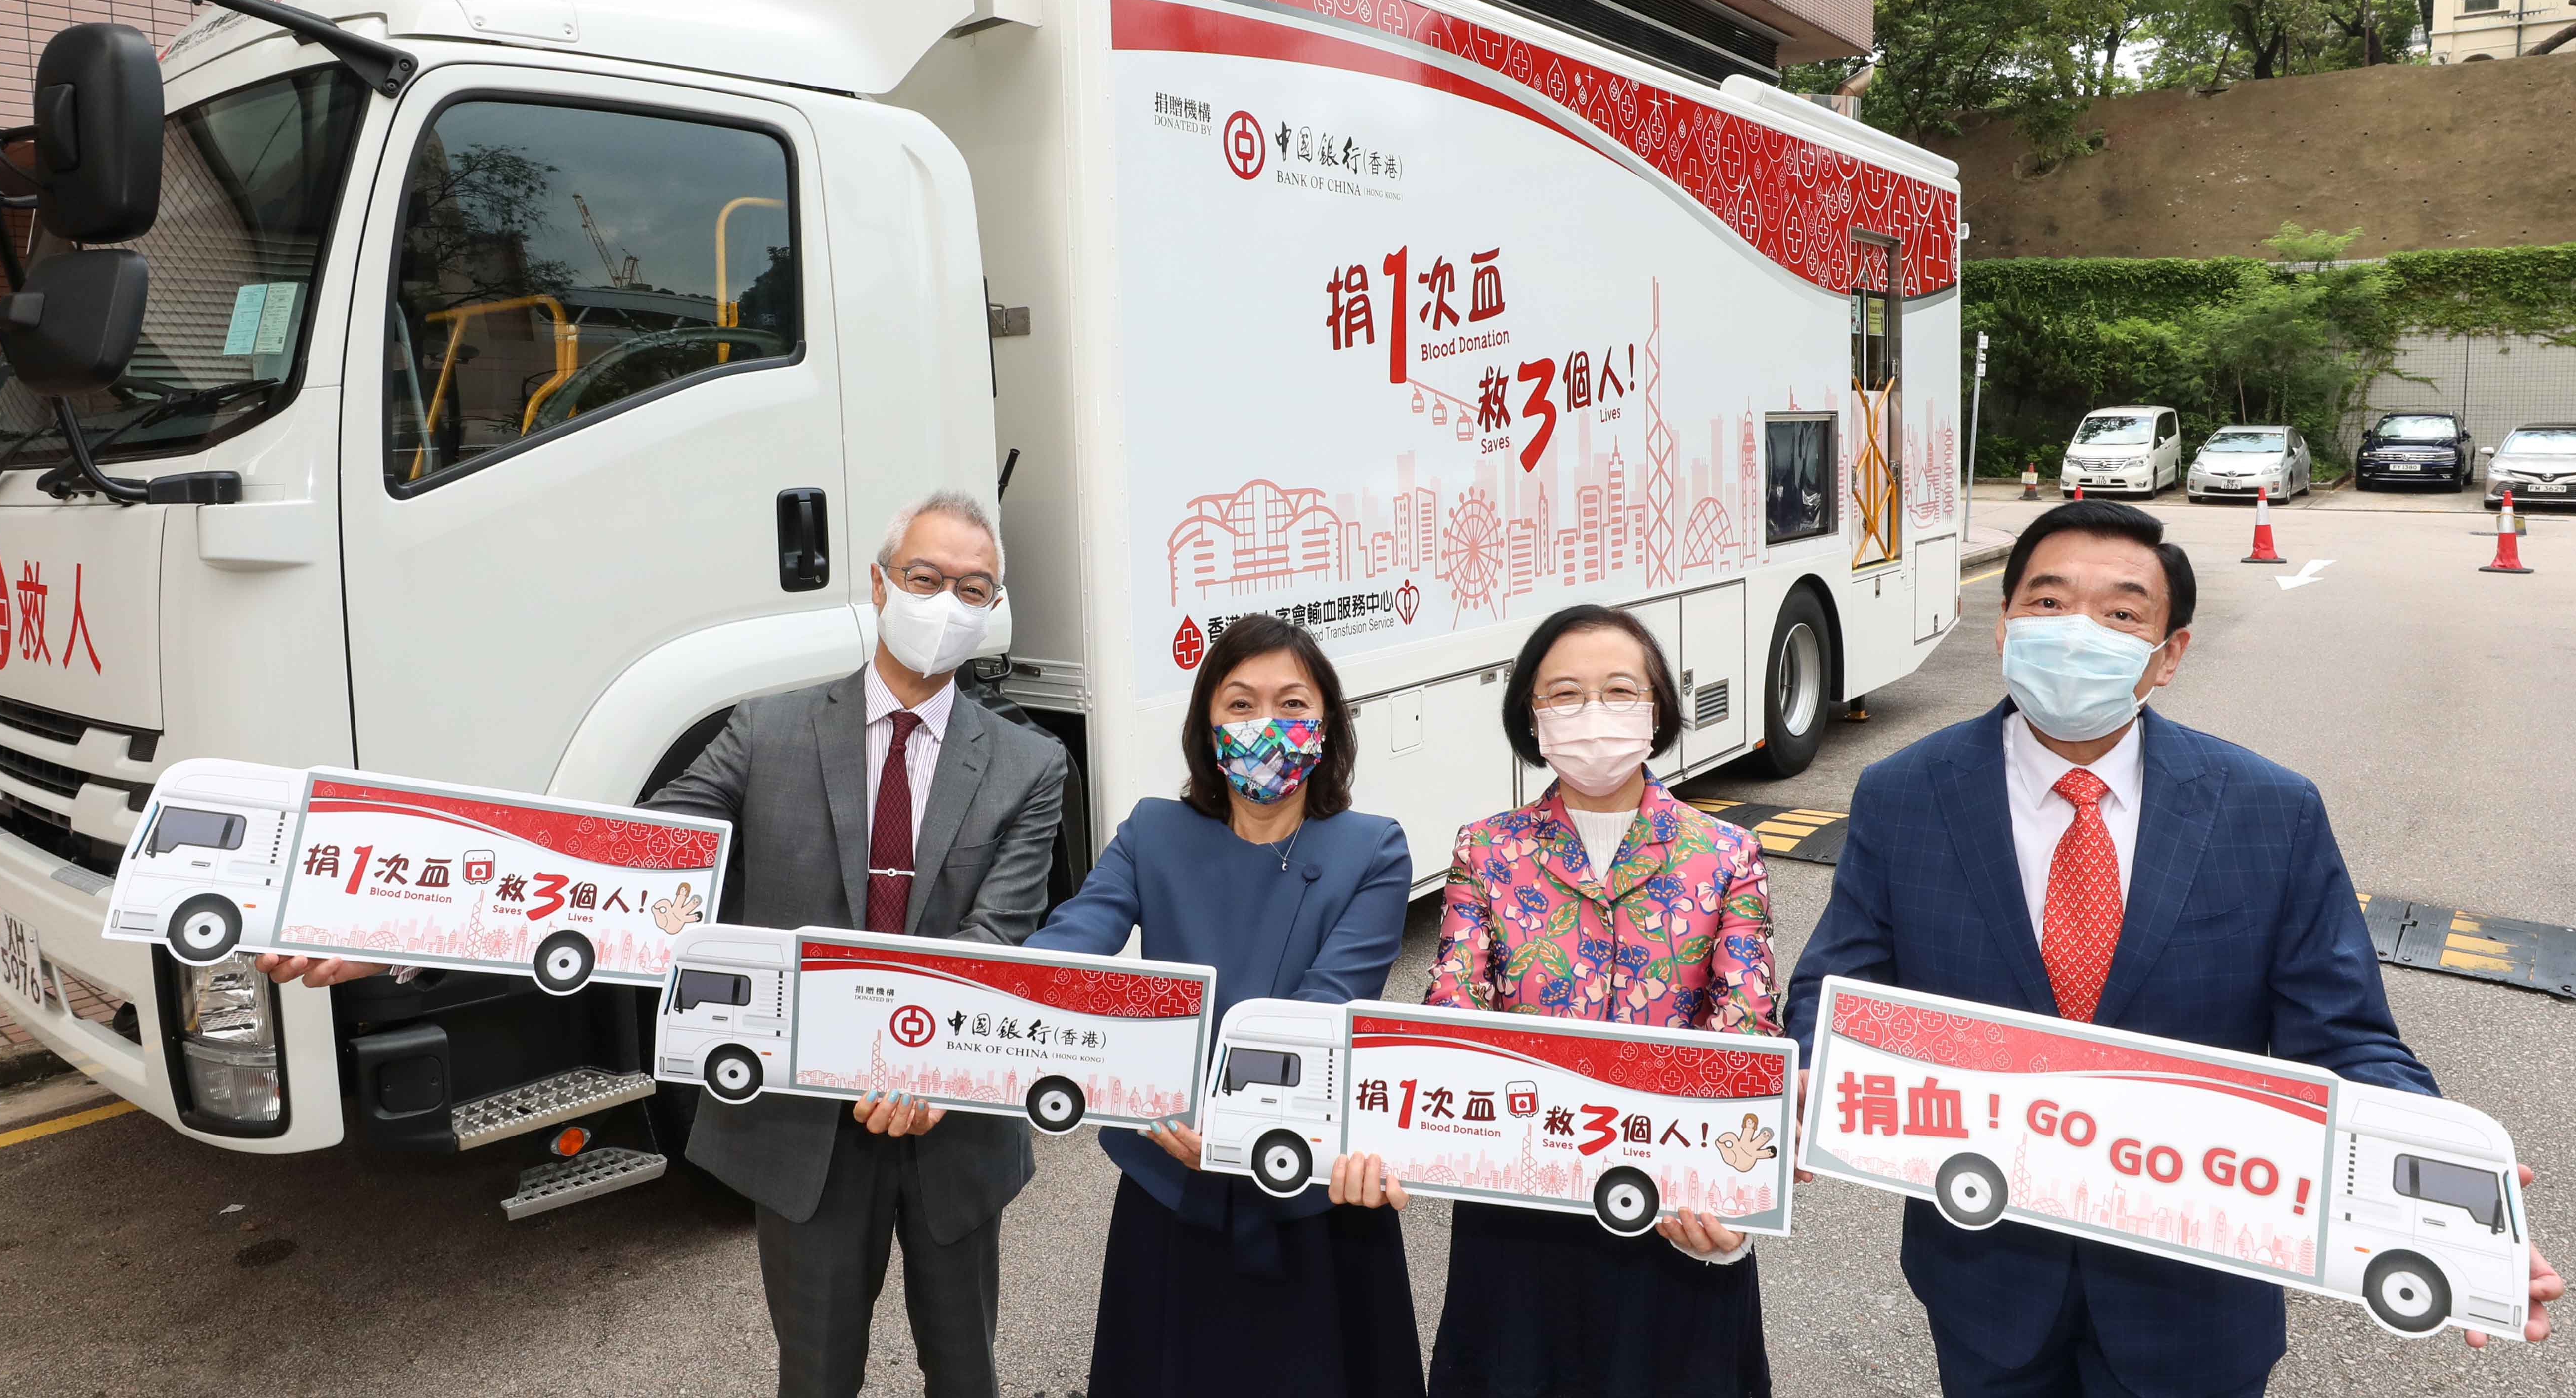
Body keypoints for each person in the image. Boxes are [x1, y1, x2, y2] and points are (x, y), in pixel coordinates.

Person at [1785, 497, 2559, 1398]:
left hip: (2197, 1287)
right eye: (2046, 602)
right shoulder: (1902, 794)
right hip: (1986, 1278)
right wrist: (1808, 1075)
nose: (2076, 630)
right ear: (2003, 629)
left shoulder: (2267, 811)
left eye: (2119, 614)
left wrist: (2444, 1198)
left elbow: (2343, 1034)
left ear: (2169, 654)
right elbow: (1836, 987)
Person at [643, 491, 1067, 1398]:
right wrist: (398, 941)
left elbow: (996, 935)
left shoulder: (1031, 766)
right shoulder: (766, 731)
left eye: (973, 589)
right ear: (879, 585)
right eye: (925, 578)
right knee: (817, 1372)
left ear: (991, 612)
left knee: (964, 1370)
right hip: (801, 1125)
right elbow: (647, 855)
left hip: (951, 1117)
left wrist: (928, 1067)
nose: (945, 604)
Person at [1022, 613, 1424, 1398]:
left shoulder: (1371, 847)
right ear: (1207, 726)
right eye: (1239, 705)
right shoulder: (1154, 831)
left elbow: (1326, 1007)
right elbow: (1071, 943)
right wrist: (959, 1007)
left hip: (1307, 1183)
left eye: (1291, 704)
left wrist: (1228, 1122)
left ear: (1327, 723)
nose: (1265, 725)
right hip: (1171, 1177)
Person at [1422, 604, 1778, 1398]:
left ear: (1656, 706)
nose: (1592, 714)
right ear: (1530, 714)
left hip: (1673, 1208)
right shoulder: (1486, 848)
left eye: (1619, 690)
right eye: (1563, 694)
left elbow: (1746, 1026)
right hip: (1517, 1204)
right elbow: (1452, 1008)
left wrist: (1733, 1196)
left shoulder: (1722, 852)